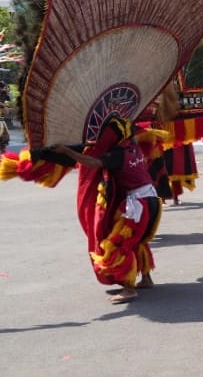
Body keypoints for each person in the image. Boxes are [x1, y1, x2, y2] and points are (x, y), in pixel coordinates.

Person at [53, 115, 162, 304]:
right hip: (152, 200)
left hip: (139, 204)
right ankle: (146, 278)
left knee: (119, 244)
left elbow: (92, 162)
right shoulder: (133, 146)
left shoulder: (118, 154)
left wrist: (66, 151)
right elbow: (94, 149)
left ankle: (129, 289)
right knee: (138, 240)